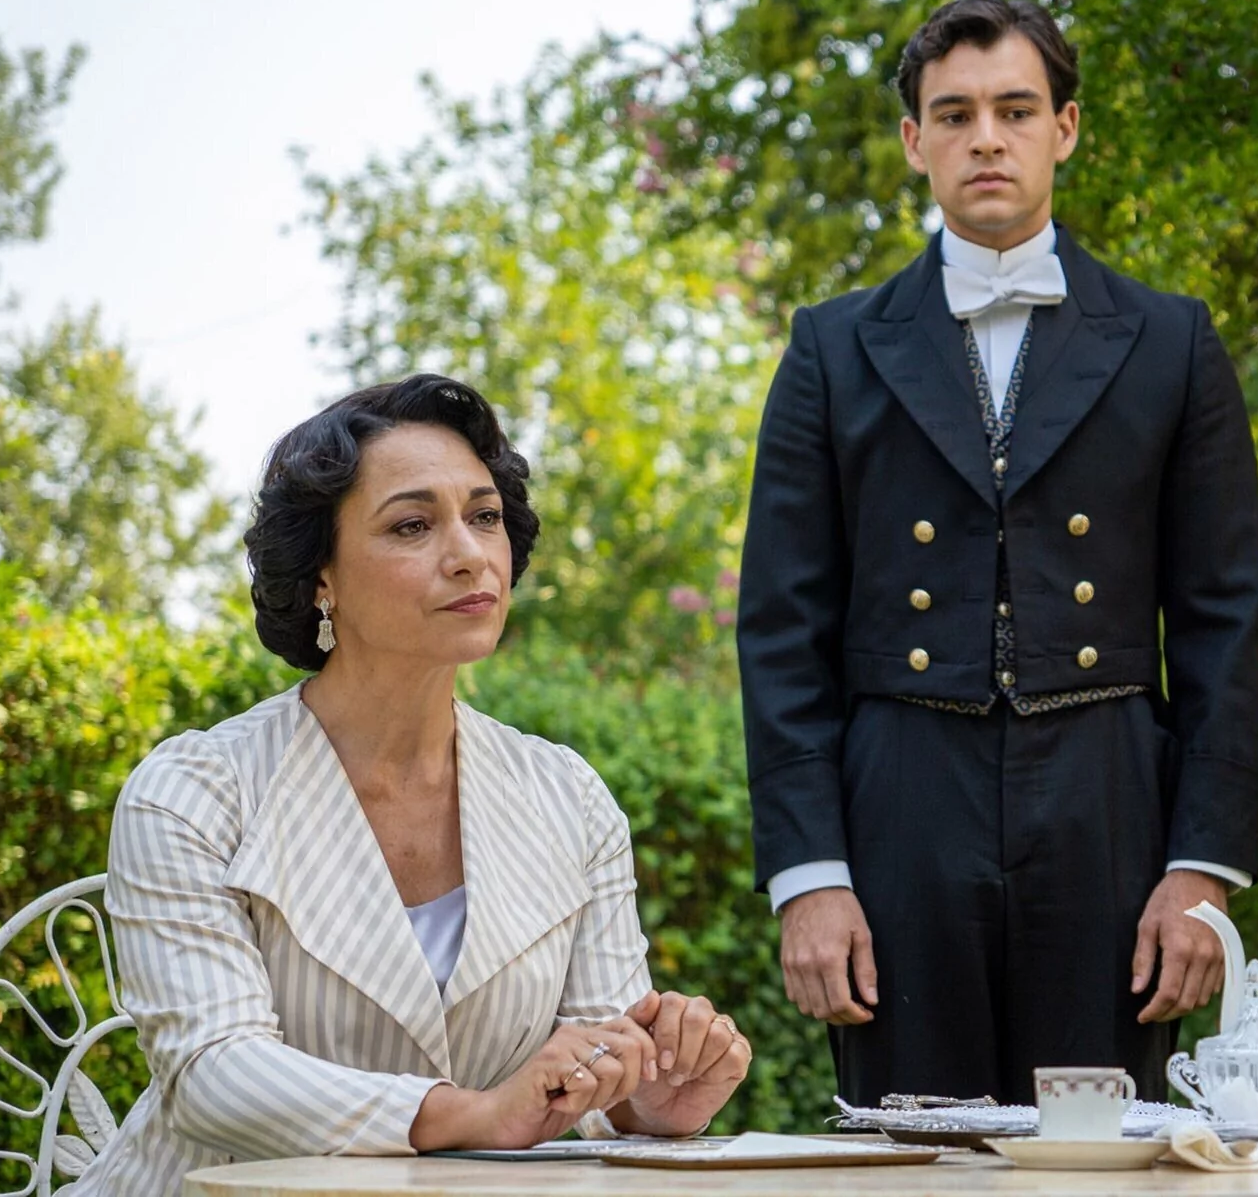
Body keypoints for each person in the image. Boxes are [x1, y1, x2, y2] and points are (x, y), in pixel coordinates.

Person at [737, 0, 1258, 1104]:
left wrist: (1202, 868)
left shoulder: (1171, 341)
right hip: (899, 803)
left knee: (1098, 1160)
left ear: (1063, 129)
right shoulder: (832, 348)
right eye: (955, 114)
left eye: (1015, 110)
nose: (986, 137)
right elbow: (782, 631)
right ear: (913, 139)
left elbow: (1221, 623)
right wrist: (808, 874)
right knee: (911, 1150)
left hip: (1109, 801)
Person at [71, 375, 750, 1195]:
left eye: (485, 517)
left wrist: (647, 1101)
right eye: (412, 526)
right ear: (320, 577)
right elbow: (213, 1073)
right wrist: (470, 1114)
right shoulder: (192, 793)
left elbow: (590, 1064)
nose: (469, 554)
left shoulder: (569, 798)